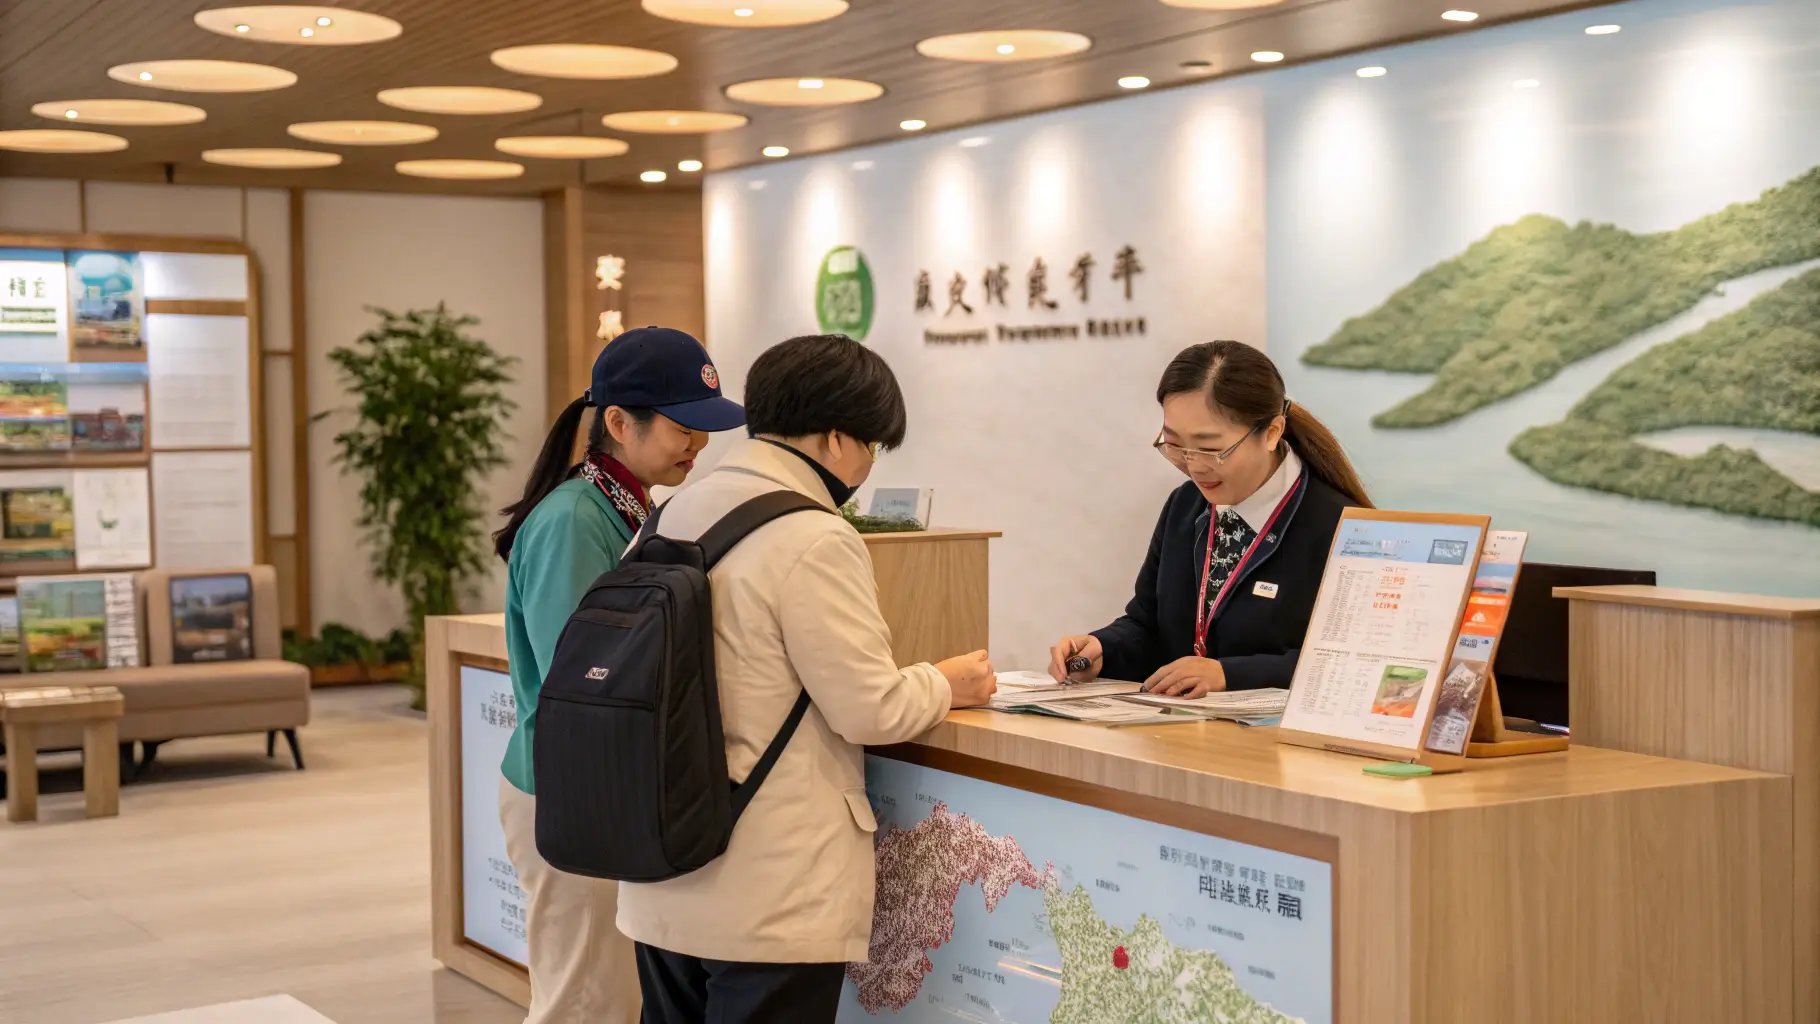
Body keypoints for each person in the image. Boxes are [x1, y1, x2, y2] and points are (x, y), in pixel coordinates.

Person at [616, 334, 999, 1024]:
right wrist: (945, 682)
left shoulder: (672, 514)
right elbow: (870, 709)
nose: (869, 465)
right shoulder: (813, 534)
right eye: (872, 445)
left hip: (662, 863)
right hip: (768, 890)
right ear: (835, 438)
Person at [493, 326, 747, 1024]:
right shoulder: (575, 520)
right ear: (617, 422)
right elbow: (589, 683)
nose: (699, 443)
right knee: (584, 1004)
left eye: (704, 427)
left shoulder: (625, 503)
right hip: (577, 793)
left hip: (600, 791)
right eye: (683, 427)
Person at [1049, 339, 1372, 696]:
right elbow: (1149, 626)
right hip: (1182, 727)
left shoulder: (1345, 527)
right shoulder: (1186, 505)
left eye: (1211, 449)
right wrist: (1102, 650)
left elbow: (1360, 661)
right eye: (1175, 445)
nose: (1194, 466)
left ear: (1272, 432)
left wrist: (1229, 675)